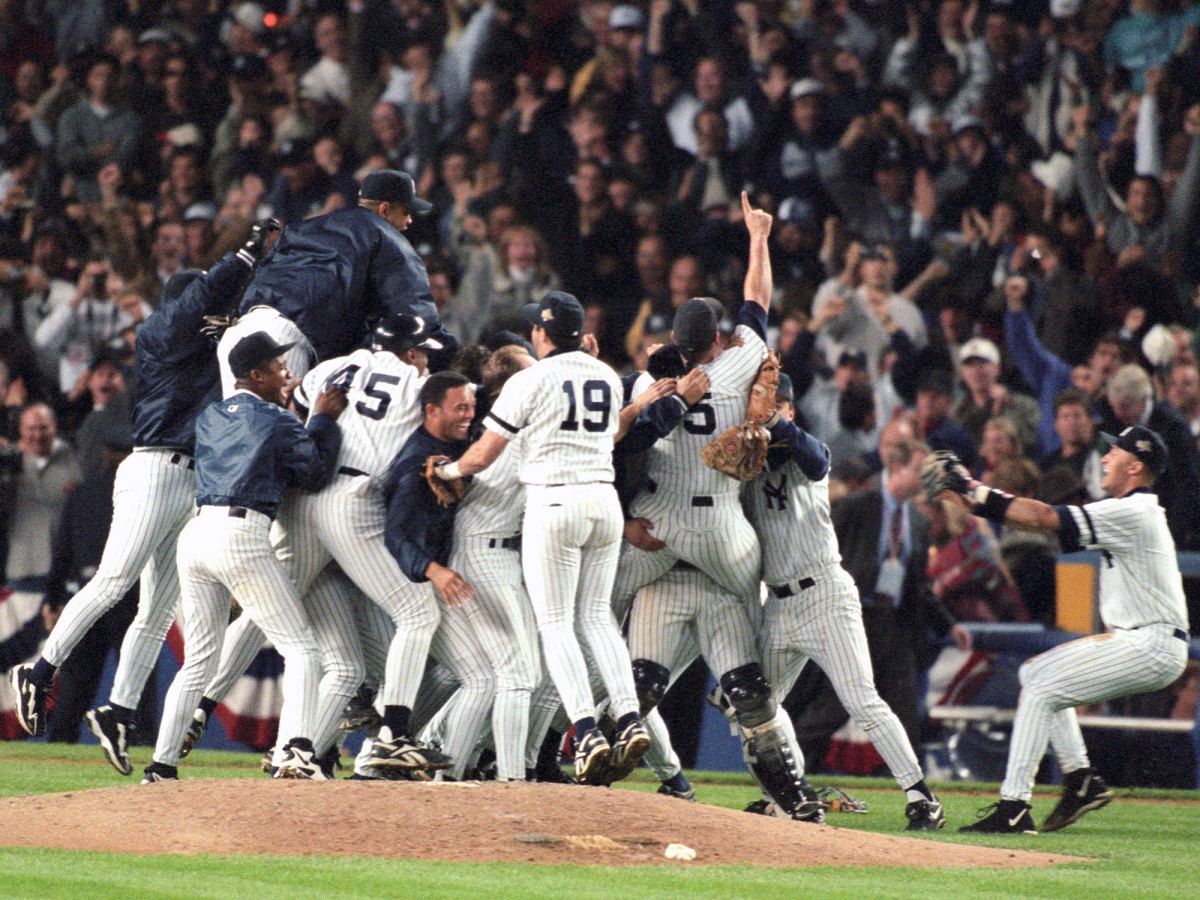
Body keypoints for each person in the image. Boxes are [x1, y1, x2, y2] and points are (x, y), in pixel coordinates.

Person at [7, 224, 274, 770]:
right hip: (154, 468)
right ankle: (37, 670)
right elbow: (208, 303)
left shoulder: (202, 345)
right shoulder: (161, 330)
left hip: (188, 481)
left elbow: (237, 327)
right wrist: (246, 255)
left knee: (154, 611)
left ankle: (120, 710)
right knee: (113, 581)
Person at [430, 289, 648, 786]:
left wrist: (449, 469)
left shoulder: (531, 378)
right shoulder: (607, 376)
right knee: (596, 618)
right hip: (603, 502)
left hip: (555, 504)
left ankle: (588, 731)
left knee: (555, 624)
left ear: (541, 333)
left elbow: (483, 456)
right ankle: (629, 717)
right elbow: (607, 432)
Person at [933, 426, 1190, 833]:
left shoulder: (1133, 510)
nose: (1105, 457)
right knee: (1034, 673)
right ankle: (1080, 780)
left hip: (1150, 641)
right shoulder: (1132, 510)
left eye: (1115, 452)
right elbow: (1040, 521)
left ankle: (1014, 806)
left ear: (1135, 466)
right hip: (1144, 638)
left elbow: (1044, 518)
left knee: (1041, 688)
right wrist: (973, 499)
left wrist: (972, 488)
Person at [139, 332, 347, 783]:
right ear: (255, 374)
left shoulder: (211, 415)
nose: (285, 372)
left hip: (196, 536)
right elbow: (313, 474)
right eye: (276, 366)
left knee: (199, 661)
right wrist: (323, 420)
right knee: (302, 648)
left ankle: (160, 765)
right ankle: (295, 751)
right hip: (242, 533)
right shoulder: (276, 419)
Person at [746, 383, 952, 831]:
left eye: (772, 404)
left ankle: (922, 797)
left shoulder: (808, 455)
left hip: (824, 594)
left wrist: (774, 421)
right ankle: (789, 793)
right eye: (753, 403)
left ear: (789, 410)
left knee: (862, 699)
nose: (759, 411)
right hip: (779, 606)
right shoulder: (745, 466)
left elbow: (817, 457)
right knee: (753, 709)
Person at [234, 169, 455, 364]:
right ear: (384, 210)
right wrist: (453, 355)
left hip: (243, 327)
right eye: (406, 212)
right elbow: (416, 315)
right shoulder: (389, 239)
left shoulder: (304, 227)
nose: (409, 221)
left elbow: (263, 272)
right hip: (289, 341)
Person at [376, 370, 477, 776]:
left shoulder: (453, 444)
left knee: (455, 670)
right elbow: (395, 535)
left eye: (471, 406)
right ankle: (387, 736)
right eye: (460, 408)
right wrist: (431, 570)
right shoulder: (416, 462)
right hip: (406, 573)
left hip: (428, 574)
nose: (468, 415)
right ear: (431, 411)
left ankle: (382, 750)